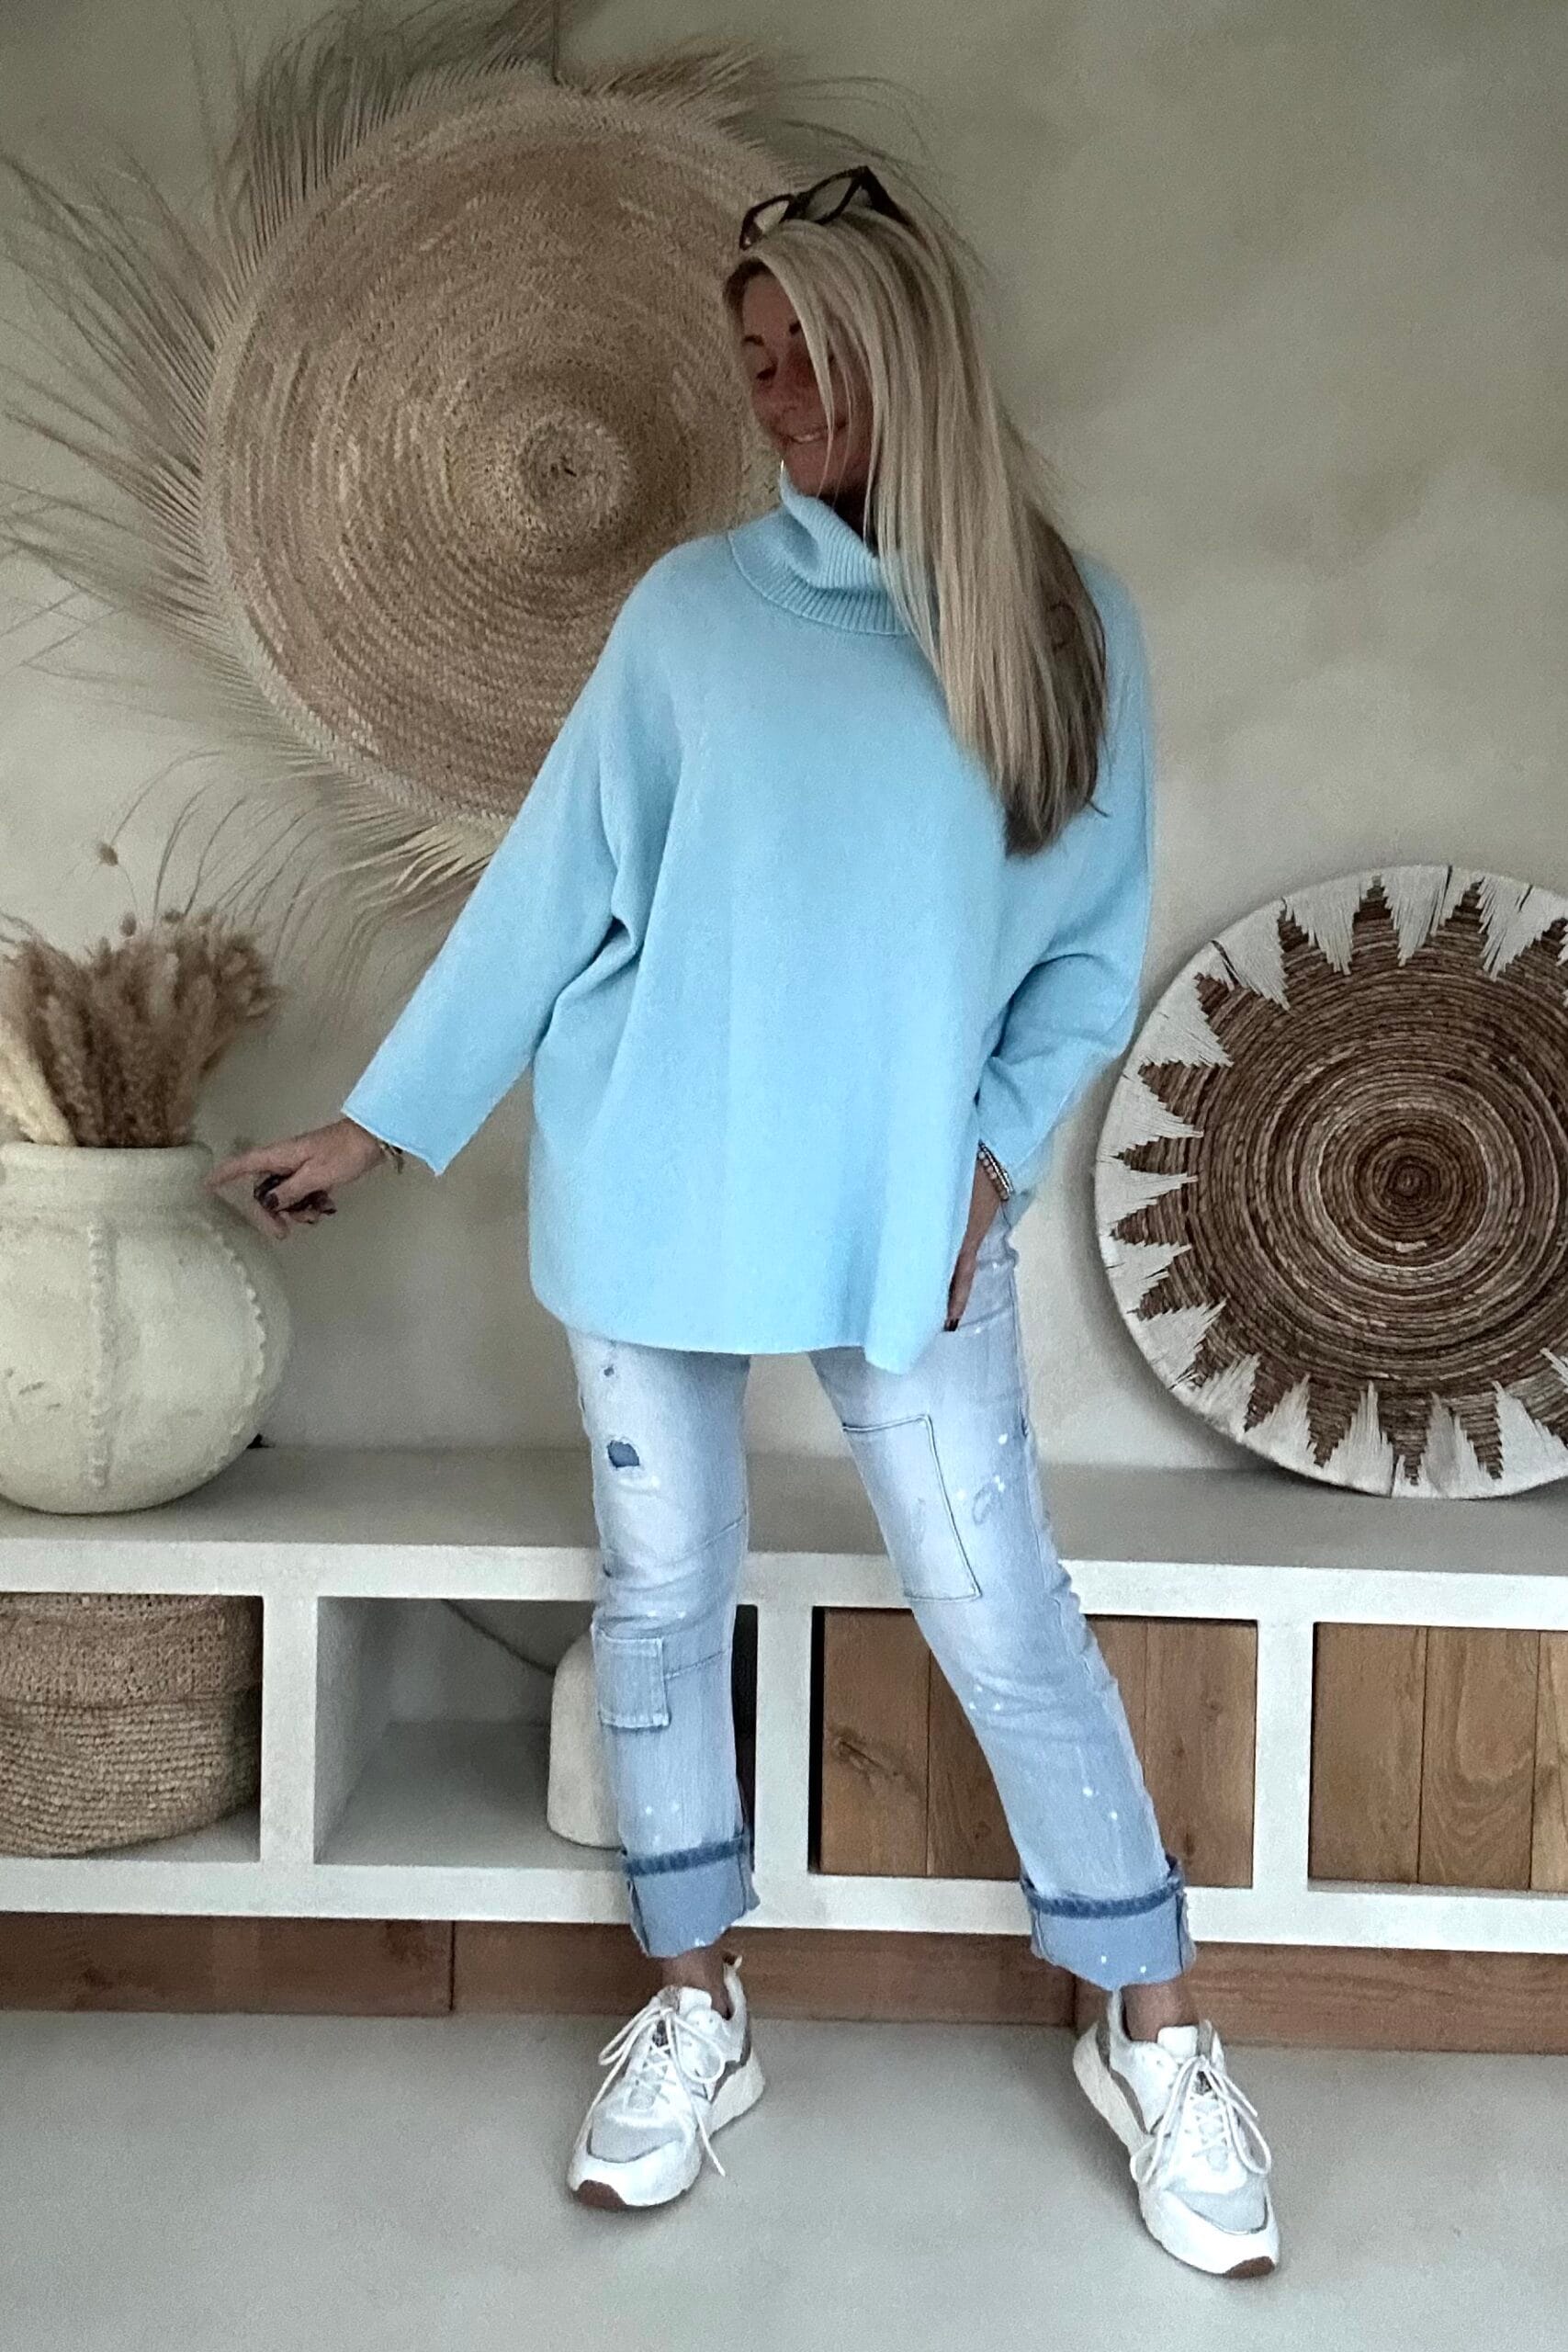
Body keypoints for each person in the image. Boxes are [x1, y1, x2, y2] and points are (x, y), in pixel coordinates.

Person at [206, 163, 1277, 2278]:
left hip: (902, 1203)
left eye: (811, 355)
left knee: (995, 1606)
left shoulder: (1059, 624)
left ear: (913, 352)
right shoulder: (692, 617)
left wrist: (986, 1151)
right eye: (754, 362)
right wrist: (381, 1125)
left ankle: (1151, 2023)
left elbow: (1080, 958)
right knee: (663, 1591)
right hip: (657, 1176)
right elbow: (554, 890)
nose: (777, 399)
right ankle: (694, 2004)